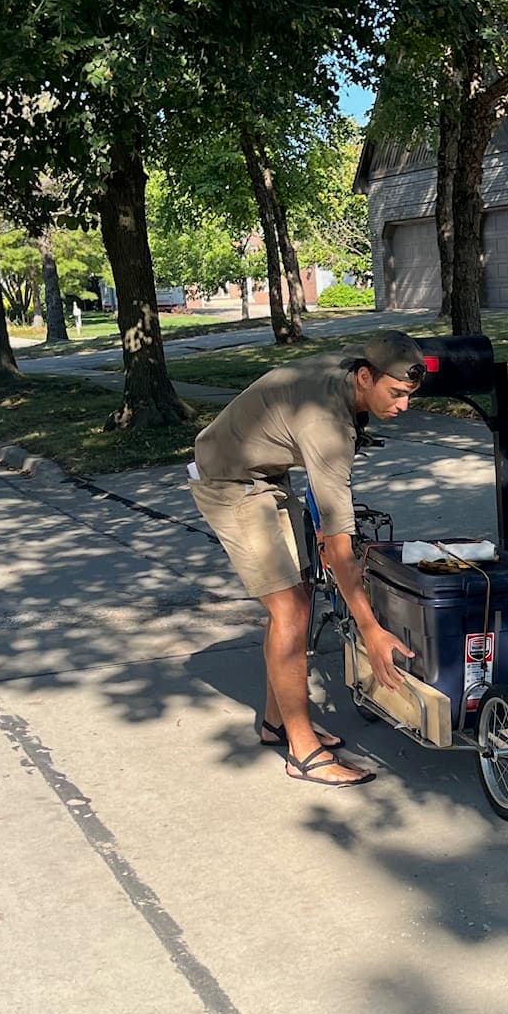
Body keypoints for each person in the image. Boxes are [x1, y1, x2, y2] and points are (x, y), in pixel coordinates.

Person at [188, 330, 425, 787]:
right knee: (291, 611)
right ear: (364, 376)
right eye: (395, 394)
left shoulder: (351, 371)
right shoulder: (326, 426)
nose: (403, 406)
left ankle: (278, 724)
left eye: (410, 395)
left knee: (298, 601)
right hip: (227, 480)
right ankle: (303, 751)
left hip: (266, 474)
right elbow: (340, 549)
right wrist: (371, 631)